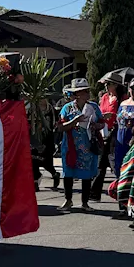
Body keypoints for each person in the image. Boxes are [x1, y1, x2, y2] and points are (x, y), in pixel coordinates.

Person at [57, 79, 101, 211]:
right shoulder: (67, 108)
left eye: (87, 91)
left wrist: (96, 125)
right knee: (68, 173)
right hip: (70, 145)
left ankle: (85, 202)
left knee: (86, 174)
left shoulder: (93, 107)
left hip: (87, 146)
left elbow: (102, 123)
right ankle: (68, 200)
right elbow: (60, 127)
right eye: (84, 91)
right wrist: (75, 121)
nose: (88, 93)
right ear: (77, 94)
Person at [91, 77, 124, 201]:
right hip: (104, 131)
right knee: (101, 163)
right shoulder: (104, 97)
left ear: (115, 85)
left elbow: (124, 114)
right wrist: (102, 117)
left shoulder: (122, 98)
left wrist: (113, 116)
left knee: (114, 162)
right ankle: (94, 193)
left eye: (108, 84)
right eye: (105, 84)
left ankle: (120, 190)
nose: (106, 86)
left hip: (116, 132)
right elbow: (99, 112)